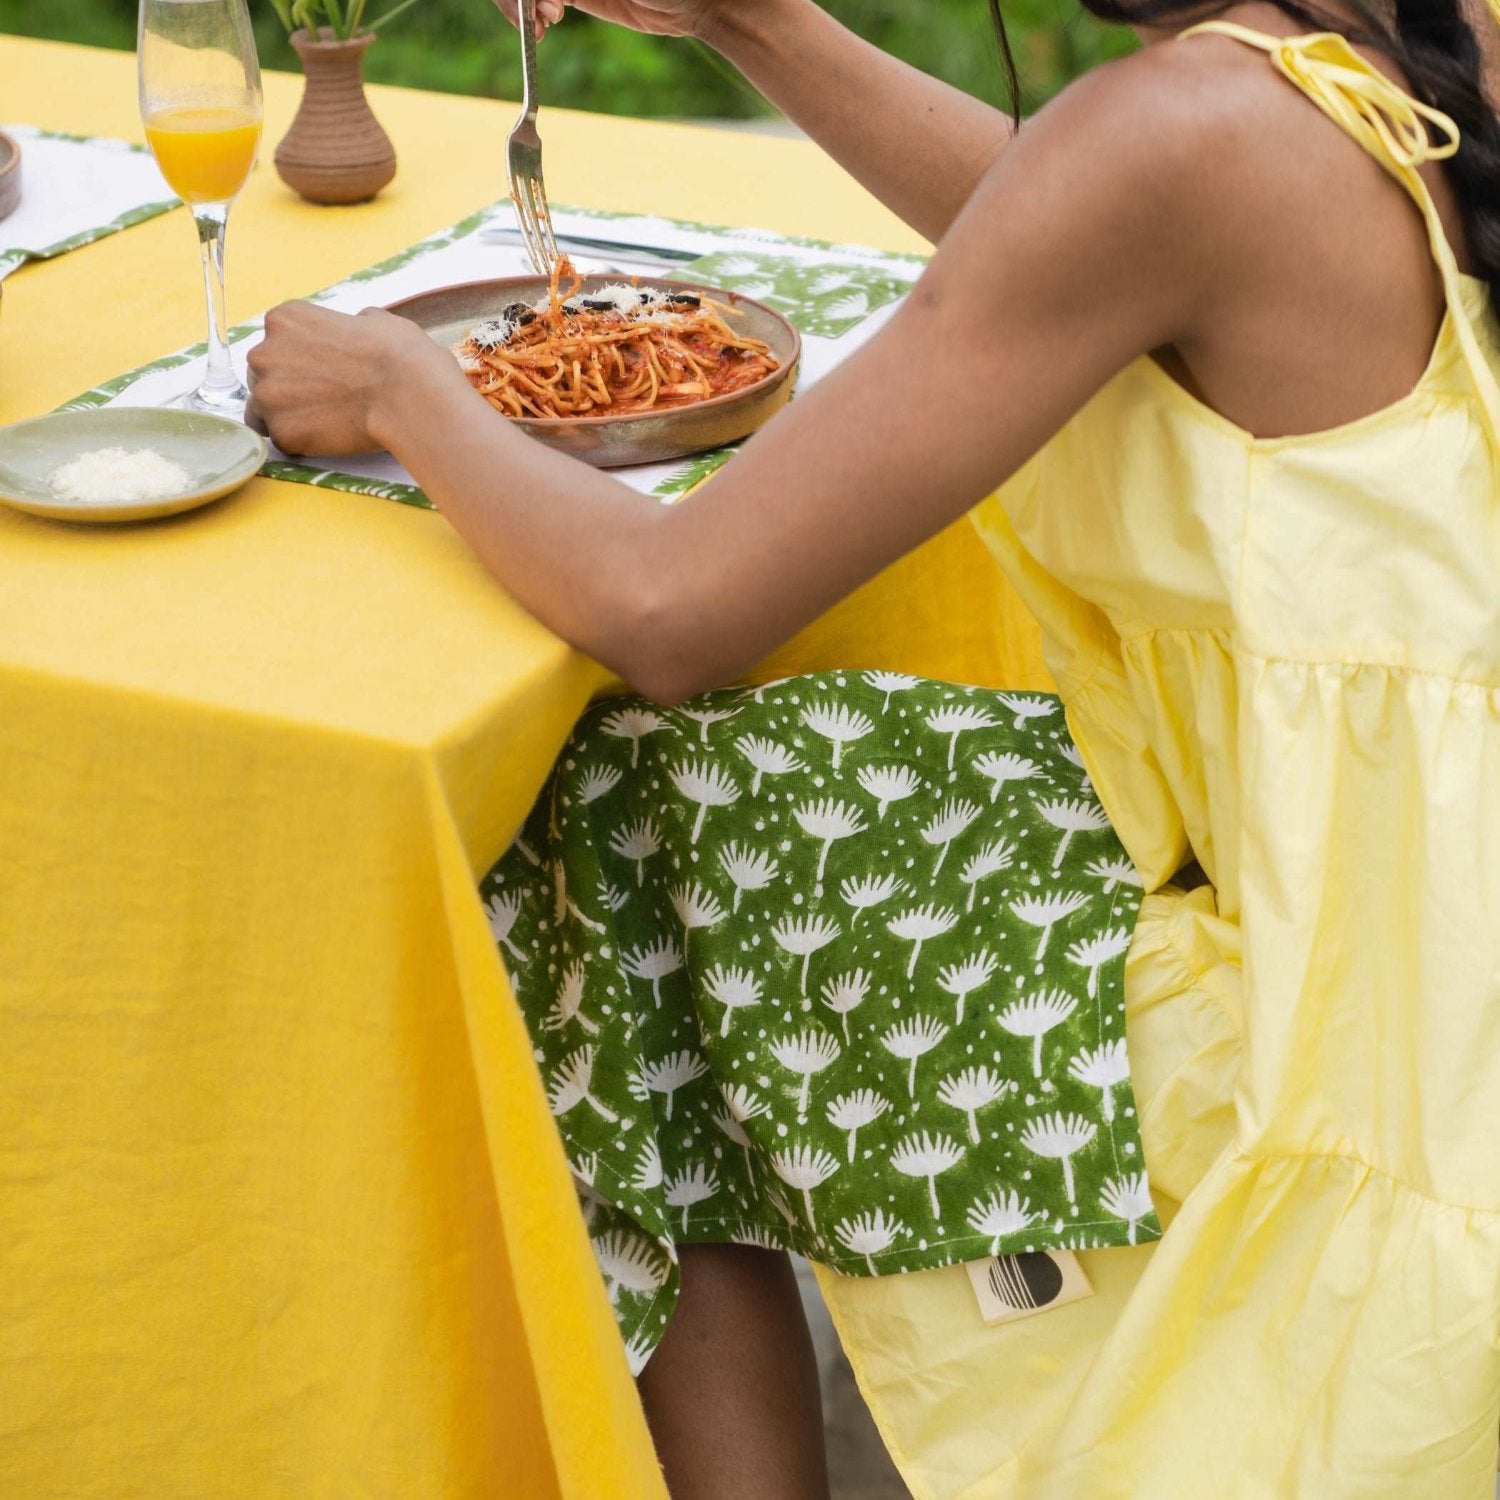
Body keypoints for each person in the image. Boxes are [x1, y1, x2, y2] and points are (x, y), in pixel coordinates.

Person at [246, 1, 1500, 1495]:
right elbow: (1077, 218)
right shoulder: (1415, 52)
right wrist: (754, 25)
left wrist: (404, 388)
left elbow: (668, 607)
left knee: (602, 820)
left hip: (1368, 1035)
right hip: (1412, 884)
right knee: (685, 795)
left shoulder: (1180, 136)